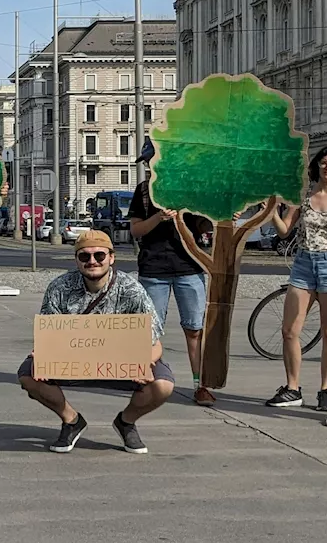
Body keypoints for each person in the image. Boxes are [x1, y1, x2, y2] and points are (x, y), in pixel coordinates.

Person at [17, 230, 175, 454]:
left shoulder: (132, 290)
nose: (92, 261)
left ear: (111, 257)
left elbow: (154, 342)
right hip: (72, 361)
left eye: (99, 255)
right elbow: (48, 335)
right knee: (28, 374)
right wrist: (42, 356)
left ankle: (126, 422)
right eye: (84, 256)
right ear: (76, 260)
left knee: (163, 385)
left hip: (122, 364)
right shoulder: (59, 288)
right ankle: (72, 421)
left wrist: (146, 364)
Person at [262, 146, 327, 411]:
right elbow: (283, 231)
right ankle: (292, 388)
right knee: (290, 330)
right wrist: (270, 210)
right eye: (324, 163)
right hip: (304, 264)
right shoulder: (303, 197)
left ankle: (325, 391)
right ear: (317, 166)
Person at [128, 144, 214, 406]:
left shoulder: (190, 187)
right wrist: (159, 218)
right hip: (154, 269)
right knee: (149, 329)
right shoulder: (143, 191)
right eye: (145, 162)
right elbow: (135, 230)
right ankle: (143, 377)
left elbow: (205, 223)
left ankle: (202, 385)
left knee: (195, 329)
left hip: (190, 267)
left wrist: (220, 215)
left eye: (151, 160)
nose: (148, 166)